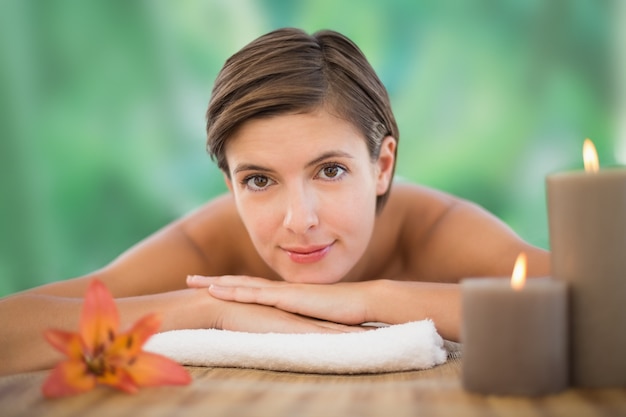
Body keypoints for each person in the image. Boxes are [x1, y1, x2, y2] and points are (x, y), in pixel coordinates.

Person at [0, 28, 549, 376]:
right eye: (259, 180)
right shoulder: (209, 244)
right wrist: (206, 311)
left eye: (330, 171)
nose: (300, 220)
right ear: (229, 184)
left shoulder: (434, 230)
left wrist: (373, 299)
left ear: (382, 166)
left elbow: (594, 306)